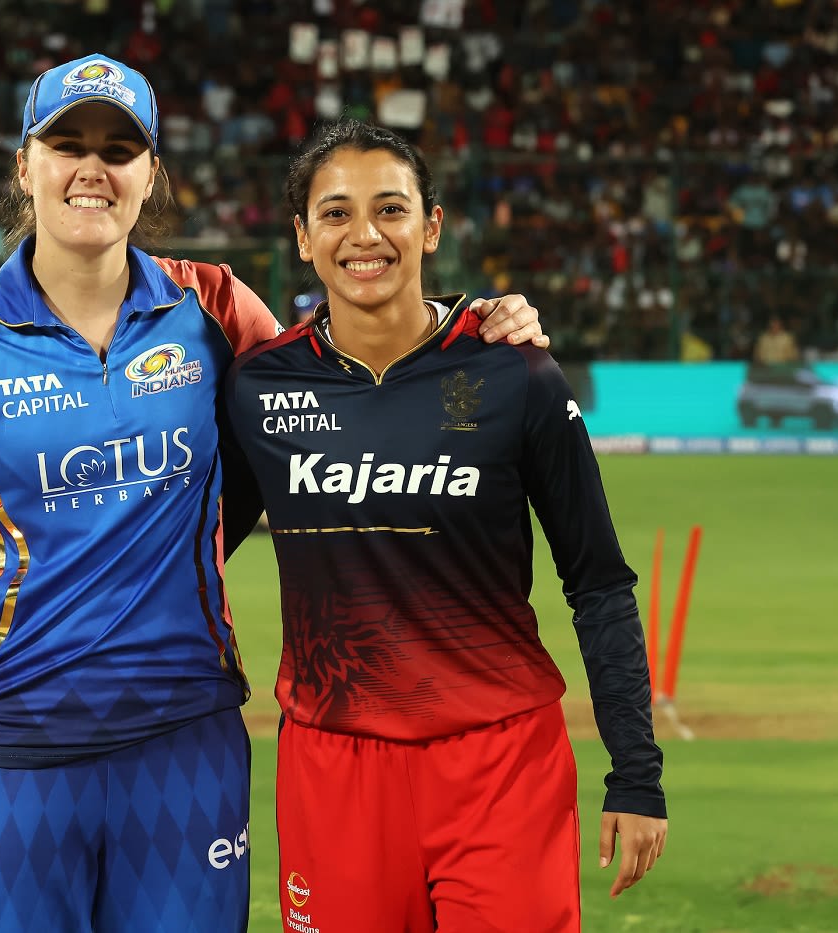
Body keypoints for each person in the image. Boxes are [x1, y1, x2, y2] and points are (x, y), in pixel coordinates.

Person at [0, 54, 551, 933]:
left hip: (186, 745)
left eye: (120, 149)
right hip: (4, 751)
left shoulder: (216, 307)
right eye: (66, 143)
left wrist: (474, 320)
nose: (92, 169)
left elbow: (353, 367)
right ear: (24, 166)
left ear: (151, 174)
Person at [222, 120, 667, 932]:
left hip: (499, 759)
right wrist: (12, 561)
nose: (365, 236)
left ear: (430, 225)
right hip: (334, 760)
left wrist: (636, 773)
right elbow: (179, 546)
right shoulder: (258, 385)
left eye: (391, 209)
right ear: (302, 237)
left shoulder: (515, 370)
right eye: (335, 213)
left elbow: (598, 579)